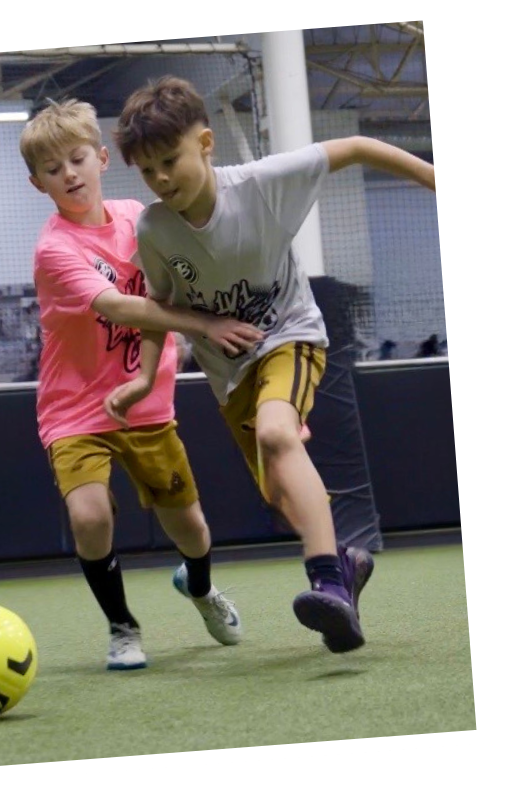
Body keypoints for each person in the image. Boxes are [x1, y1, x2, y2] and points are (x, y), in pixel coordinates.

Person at [114, 76, 435, 653]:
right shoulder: (154, 228)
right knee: (281, 493)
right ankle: (348, 564)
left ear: (206, 143)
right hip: (230, 373)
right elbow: (158, 308)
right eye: (147, 171)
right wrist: (143, 376)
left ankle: (328, 583)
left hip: (291, 335)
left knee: (278, 433)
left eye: (171, 160)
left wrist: (436, 181)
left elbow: (358, 146)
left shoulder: (263, 185)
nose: (161, 179)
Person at [22, 99, 266, 670]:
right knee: (89, 515)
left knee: (192, 526)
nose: (70, 175)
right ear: (39, 184)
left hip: (147, 404)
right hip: (75, 410)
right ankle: (122, 627)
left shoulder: (143, 218)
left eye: (78, 159)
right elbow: (117, 305)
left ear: (103, 158)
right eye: (54, 170)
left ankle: (201, 588)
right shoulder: (54, 249)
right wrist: (206, 325)